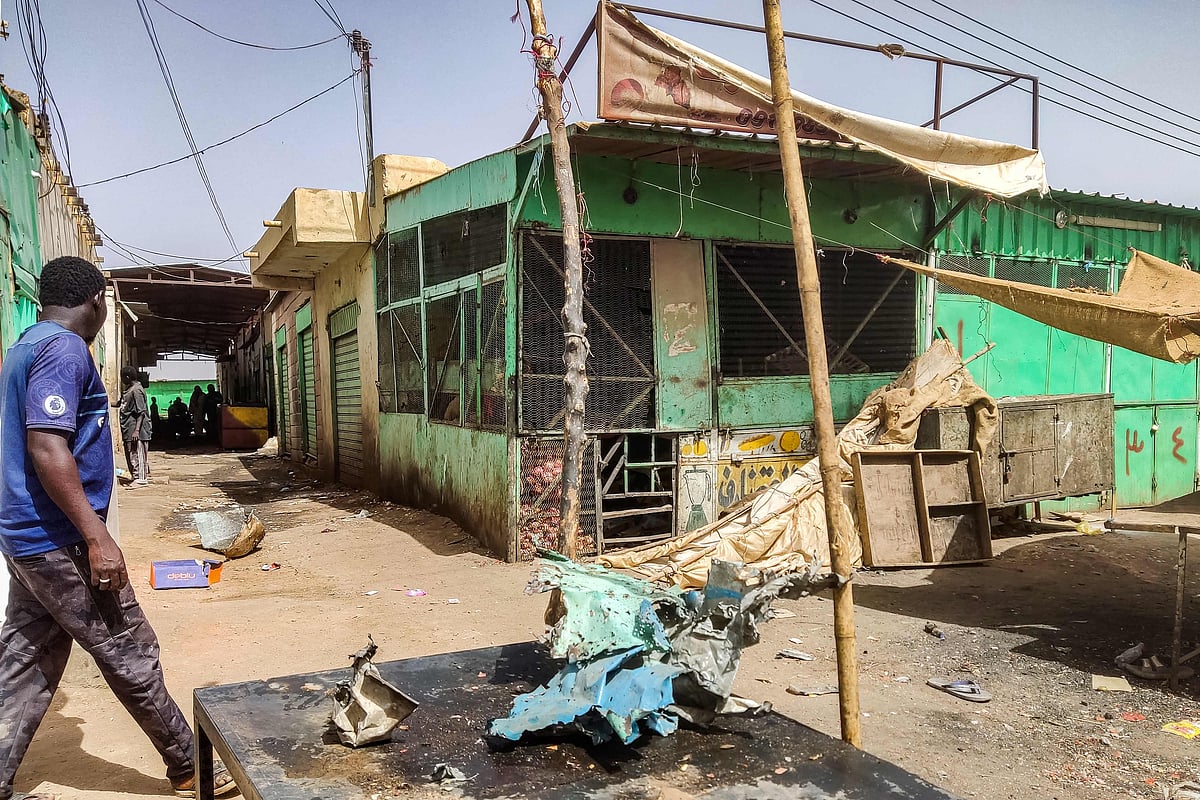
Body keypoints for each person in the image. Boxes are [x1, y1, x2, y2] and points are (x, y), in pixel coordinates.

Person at [0, 256, 236, 799]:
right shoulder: (62, 350)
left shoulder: (24, 347)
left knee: (25, 658)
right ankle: (187, 765)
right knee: (128, 647)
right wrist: (97, 536)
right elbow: (47, 445)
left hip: (27, 538)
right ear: (96, 302)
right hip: (59, 539)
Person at [116, 366, 150, 486]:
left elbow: (141, 412)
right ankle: (135, 476)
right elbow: (121, 404)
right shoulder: (129, 390)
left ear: (127, 377)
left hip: (136, 429)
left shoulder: (136, 390)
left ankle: (141, 479)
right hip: (128, 428)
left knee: (137, 452)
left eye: (122, 377)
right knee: (132, 454)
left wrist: (136, 430)